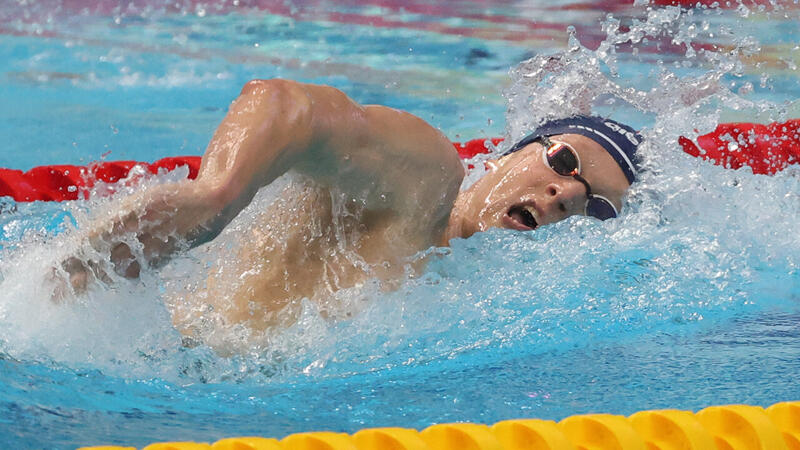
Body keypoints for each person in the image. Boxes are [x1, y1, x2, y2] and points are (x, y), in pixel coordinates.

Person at [59, 79, 641, 341]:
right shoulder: (427, 180)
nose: (568, 196)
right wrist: (217, 195)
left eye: (595, 207)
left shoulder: (474, 300)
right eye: (564, 162)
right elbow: (287, 103)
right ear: (507, 155)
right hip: (103, 334)